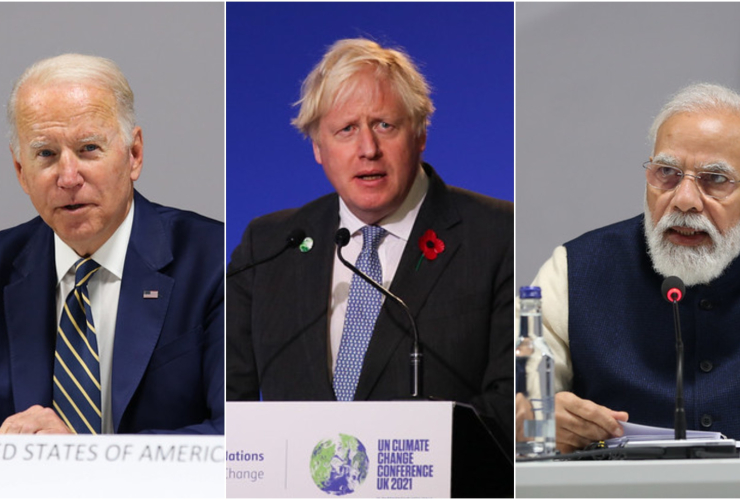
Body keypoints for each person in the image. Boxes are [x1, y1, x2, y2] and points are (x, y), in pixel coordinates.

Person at [227, 38, 513, 435]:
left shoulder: (497, 235)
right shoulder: (270, 245)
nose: (368, 149)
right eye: (346, 130)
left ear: (420, 134)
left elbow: (509, 403)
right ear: (318, 148)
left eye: (384, 125)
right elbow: (226, 404)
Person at [0, 54, 224, 434]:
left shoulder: (215, 260)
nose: (69, 177)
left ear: (134, 154)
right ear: (21, 172)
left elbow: (236, 437)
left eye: (89, 148)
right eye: (46, 154)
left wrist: (94, 462)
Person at [518, 83, 740, 453]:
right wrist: (533, 420)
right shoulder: (574, 270)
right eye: (667, 173)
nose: (684, 201)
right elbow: (515, 403)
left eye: (715, 179)